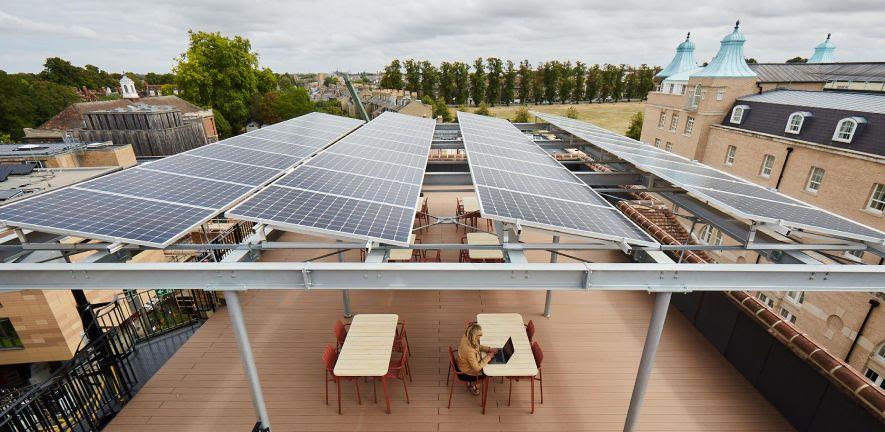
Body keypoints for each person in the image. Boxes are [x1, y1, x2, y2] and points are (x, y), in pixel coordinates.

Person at [457, 323, 497, 395]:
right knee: (490, 374)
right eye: (479, 335)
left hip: (463, 364)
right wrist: (488, 357)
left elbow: (477, 346)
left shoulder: (467, 336)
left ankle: (471, 384)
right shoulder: (470, 351)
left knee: (487, 364)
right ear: (474, 336)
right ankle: (475, 387)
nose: (480, 337)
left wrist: (489, 349)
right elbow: (476, 368)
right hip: (466, 372)